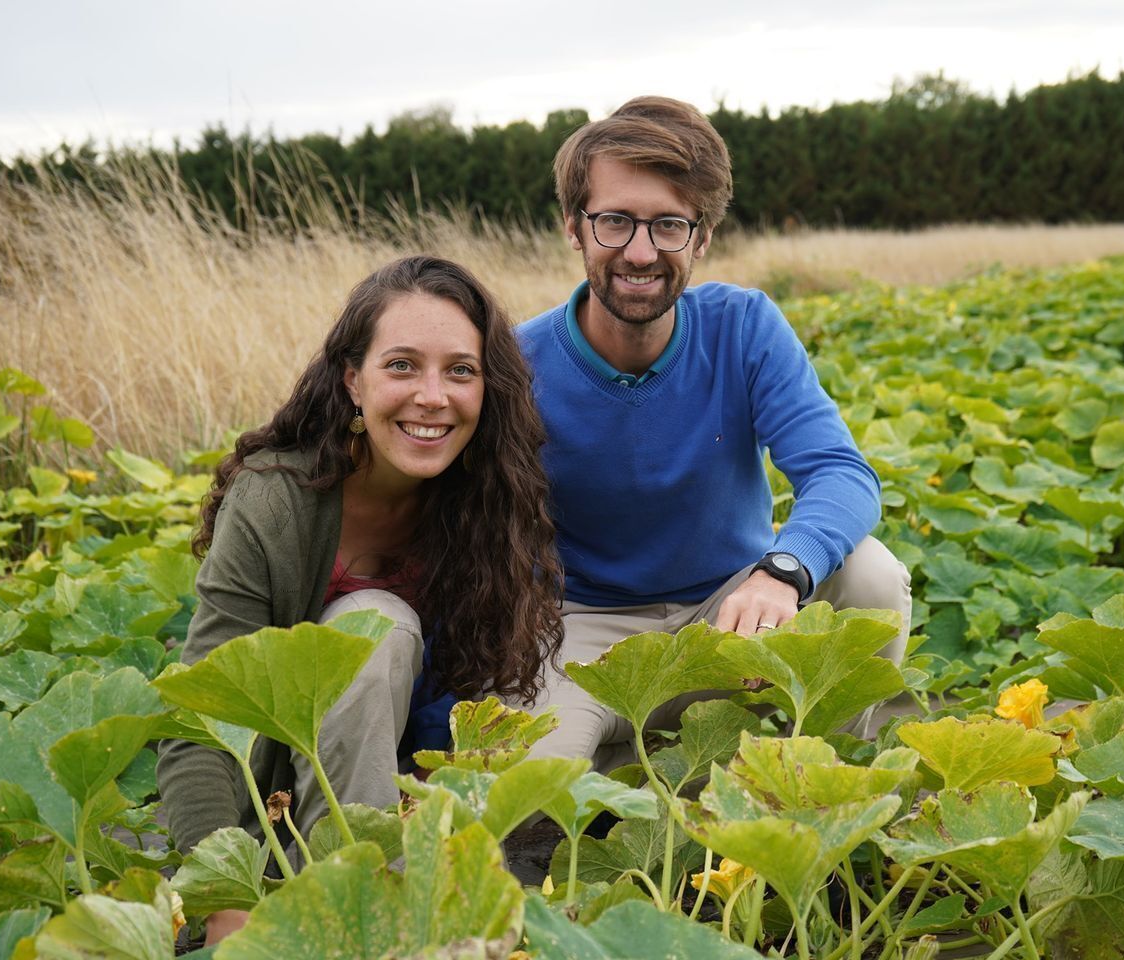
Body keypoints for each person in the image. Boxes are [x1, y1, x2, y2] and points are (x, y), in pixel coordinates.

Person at [156, 255, 562, 944]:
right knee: (377, 625)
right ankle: (361, 906)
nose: (432, 396)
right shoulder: (275, 503)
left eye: (460, 371)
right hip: (282, 822)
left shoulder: (488, 499)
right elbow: (201, 718)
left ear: (486, 388)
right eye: (402, 366)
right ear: (352, 379)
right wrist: (226, 894)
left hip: (413, 801)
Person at [515, 96, 912, 767]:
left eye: (669, 225)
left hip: (732, 612)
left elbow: (840, 473)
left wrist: (783, 572)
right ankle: (656, 763)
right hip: (587, 634)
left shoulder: (743, 327)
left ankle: (834, 777)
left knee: (870, 576)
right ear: (574, 227)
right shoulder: (517, 363)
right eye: (615, 221)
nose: (640, 252)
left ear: (701, 238)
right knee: (539, 793)